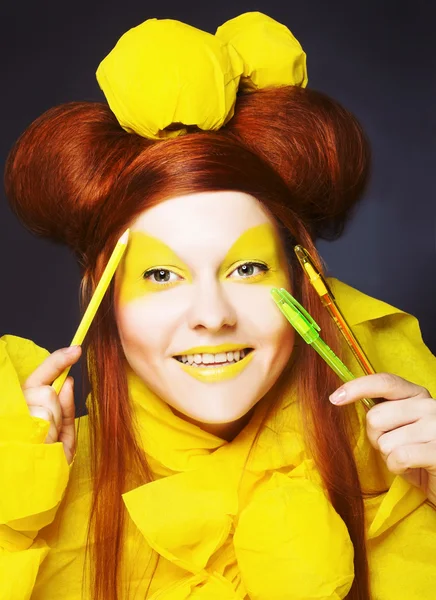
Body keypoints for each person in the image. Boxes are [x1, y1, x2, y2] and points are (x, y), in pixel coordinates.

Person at [1, 11, 435, 600]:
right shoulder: (34, 510)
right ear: (103, 297)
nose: (212, 314)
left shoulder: (408, 468)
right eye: (161, 274)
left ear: (306, 282)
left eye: (248, 268)